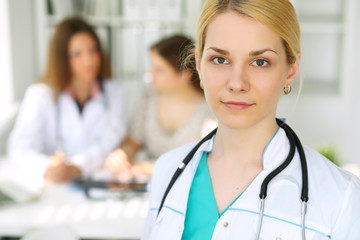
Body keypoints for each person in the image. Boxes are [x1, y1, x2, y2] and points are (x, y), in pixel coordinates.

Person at [141, 0, 360, 239]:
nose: (237, 83)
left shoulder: (341, 197)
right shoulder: (168, 171)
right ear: (199, 65)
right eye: (220, 59)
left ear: (290, 71)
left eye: (260, 62)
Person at [7, 17, 126, 184]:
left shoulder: (114, 91)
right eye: (77, 54)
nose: (88, 60)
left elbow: (110, 142)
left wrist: (77, 166)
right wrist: (47, 167)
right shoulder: (40, 94)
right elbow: (19, 149)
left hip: (99, 180)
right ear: (62, 58)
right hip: (56, 185)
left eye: (93, 50)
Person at [105, 35, 216, 180]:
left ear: (184, 75)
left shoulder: (209, 110)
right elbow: (133, 141)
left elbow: (208, 164)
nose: (151, 74)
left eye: (159, 70)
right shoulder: (149, 96)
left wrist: (149, 169)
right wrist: (122, 155)